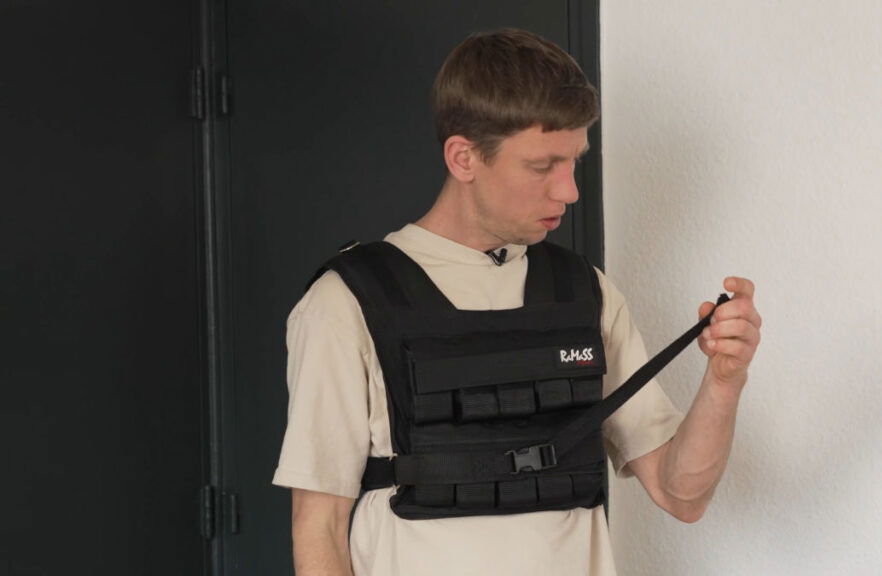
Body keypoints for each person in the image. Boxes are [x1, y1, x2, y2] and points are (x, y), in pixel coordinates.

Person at [272, 28, 762, 576]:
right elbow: (317, 527)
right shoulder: (347, 302)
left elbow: (681, 495)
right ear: (463, 158)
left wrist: (724, 380)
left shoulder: (585, 293)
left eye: (574, 161)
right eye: (542, 166)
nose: (569, 191)